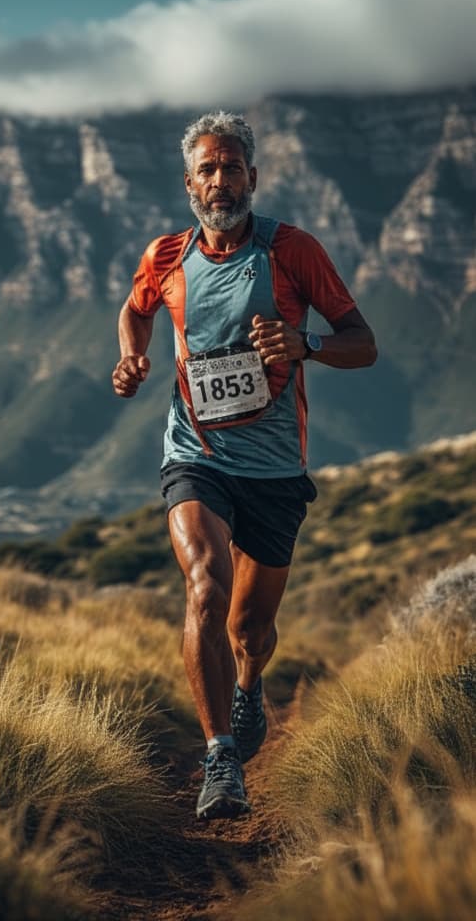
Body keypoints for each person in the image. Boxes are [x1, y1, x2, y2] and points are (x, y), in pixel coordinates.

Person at [111, 111, 377, 820]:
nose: (220, 180)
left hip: (276, 470)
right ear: (189, 182)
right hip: (195, 455)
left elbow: (363, 342)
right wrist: (133, 354)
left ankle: (249, 683)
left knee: (249, 629)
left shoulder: (293, 251)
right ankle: (221, 759)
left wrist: (305, 345)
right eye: (207, 169)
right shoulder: (166, 256)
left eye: (232, 167)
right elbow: (135, 311)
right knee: (204, 585)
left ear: (252, 177)